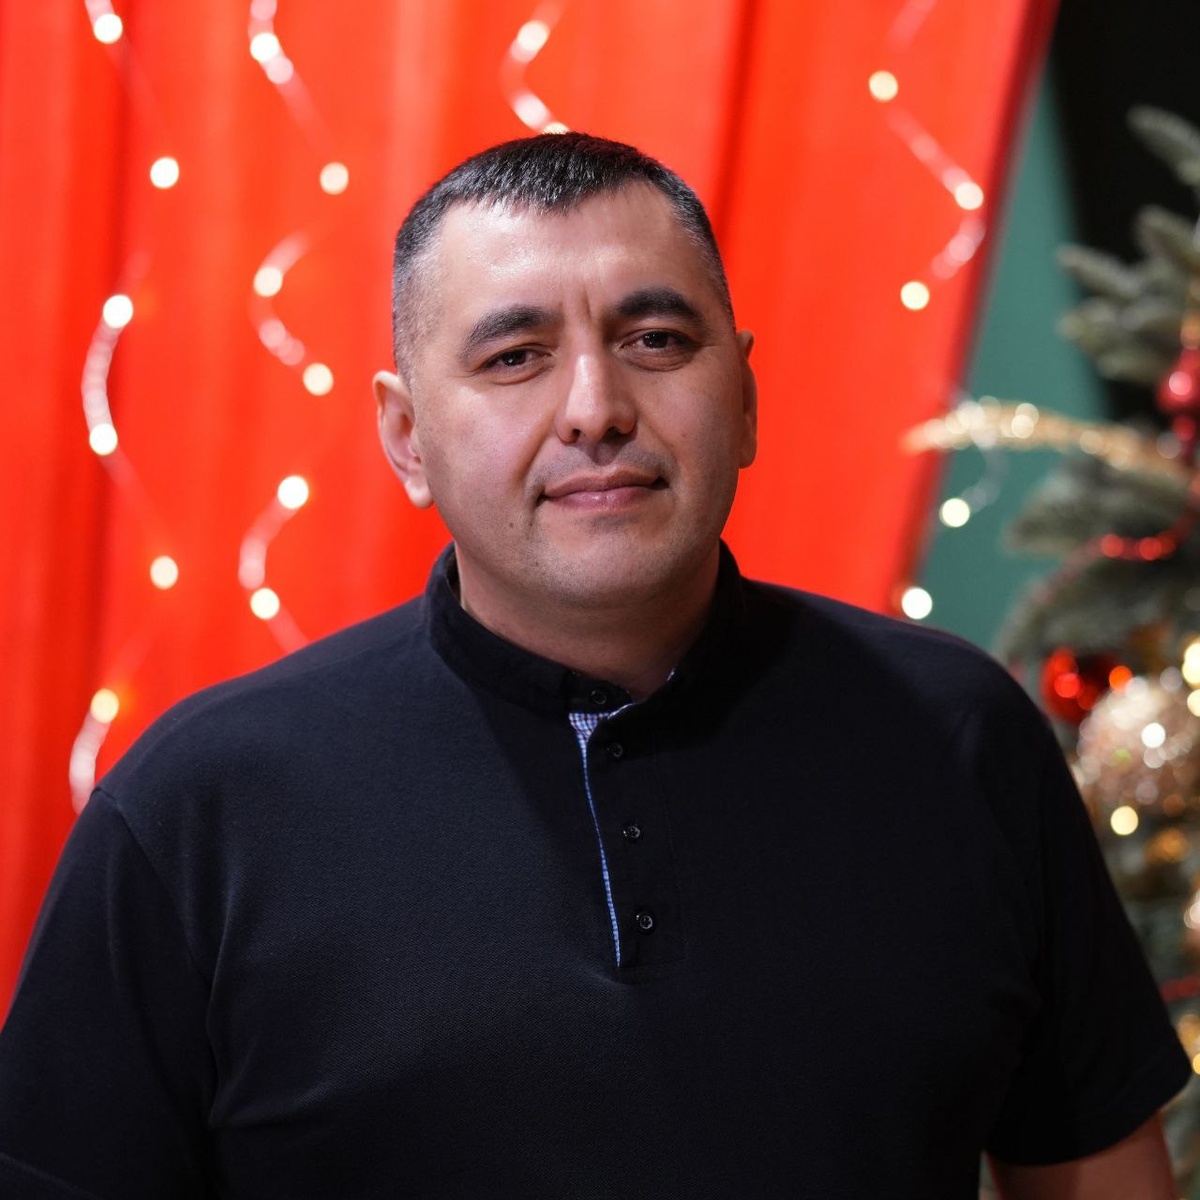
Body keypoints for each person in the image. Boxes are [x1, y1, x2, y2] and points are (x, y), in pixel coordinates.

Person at [0, 133, 1189, 1199]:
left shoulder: (955, 736)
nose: (595, 408)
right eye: (515, 356)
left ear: (745, 398)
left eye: (655, 340)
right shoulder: (199, 809)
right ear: (407, 436)